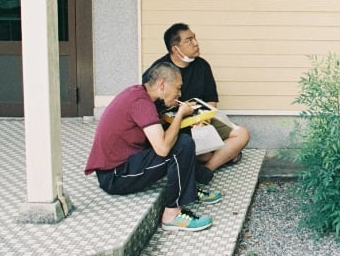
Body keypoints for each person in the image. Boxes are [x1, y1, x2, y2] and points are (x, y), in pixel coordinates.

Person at [85, 62, 222, 232]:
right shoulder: (141, 103)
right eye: (178, 88)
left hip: (124, 163)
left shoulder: (139, 93)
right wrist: (180, 114)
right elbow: (163, 149)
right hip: (115, 176)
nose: (180, 94)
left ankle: (191, 186)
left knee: (180, 134)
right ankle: (171, 214)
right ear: (162, 84)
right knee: (181, 145)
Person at [143, 23, 250, 171]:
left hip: (199, 121)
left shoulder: (202, 66)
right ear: (175, 48)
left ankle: (207, 170)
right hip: (173, 126)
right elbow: (147, 108)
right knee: (205, 155)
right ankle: (222, 156)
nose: (196, 43)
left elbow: (211, 99)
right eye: (189, 40)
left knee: (242, 134)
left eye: (194, 38)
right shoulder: (158, 71)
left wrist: (204, 120)